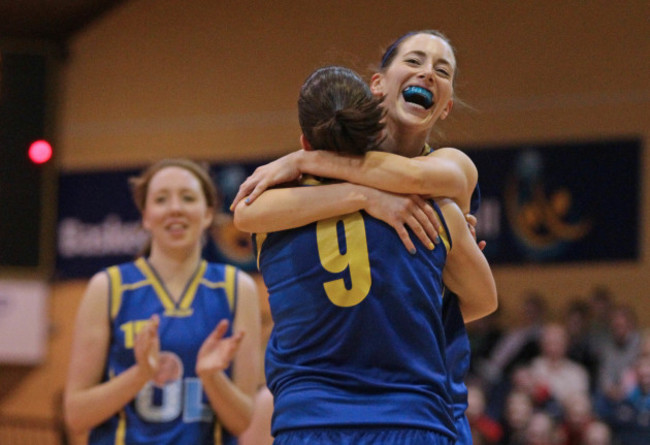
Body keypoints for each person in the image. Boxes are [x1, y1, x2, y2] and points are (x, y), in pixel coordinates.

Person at [232, 30, 497, 444]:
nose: (427, 72)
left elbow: (412, 176)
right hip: (399, 408)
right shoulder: (438, 209)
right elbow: (245, 214)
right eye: (413, 61)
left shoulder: (448, 171)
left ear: (446, 107)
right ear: (378, 83)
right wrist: (365, 198)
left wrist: (303, 158)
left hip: (415, 402)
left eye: (441, 70)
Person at [63, 158, 262, 445]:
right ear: (145, 215)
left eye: (188, 197)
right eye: (161, 199)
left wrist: (211, 377)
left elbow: (242, 420)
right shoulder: (109, 287)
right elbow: (76, 415)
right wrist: (141, 373)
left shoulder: (236, 287)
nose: (175, 208)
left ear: (208, 214)